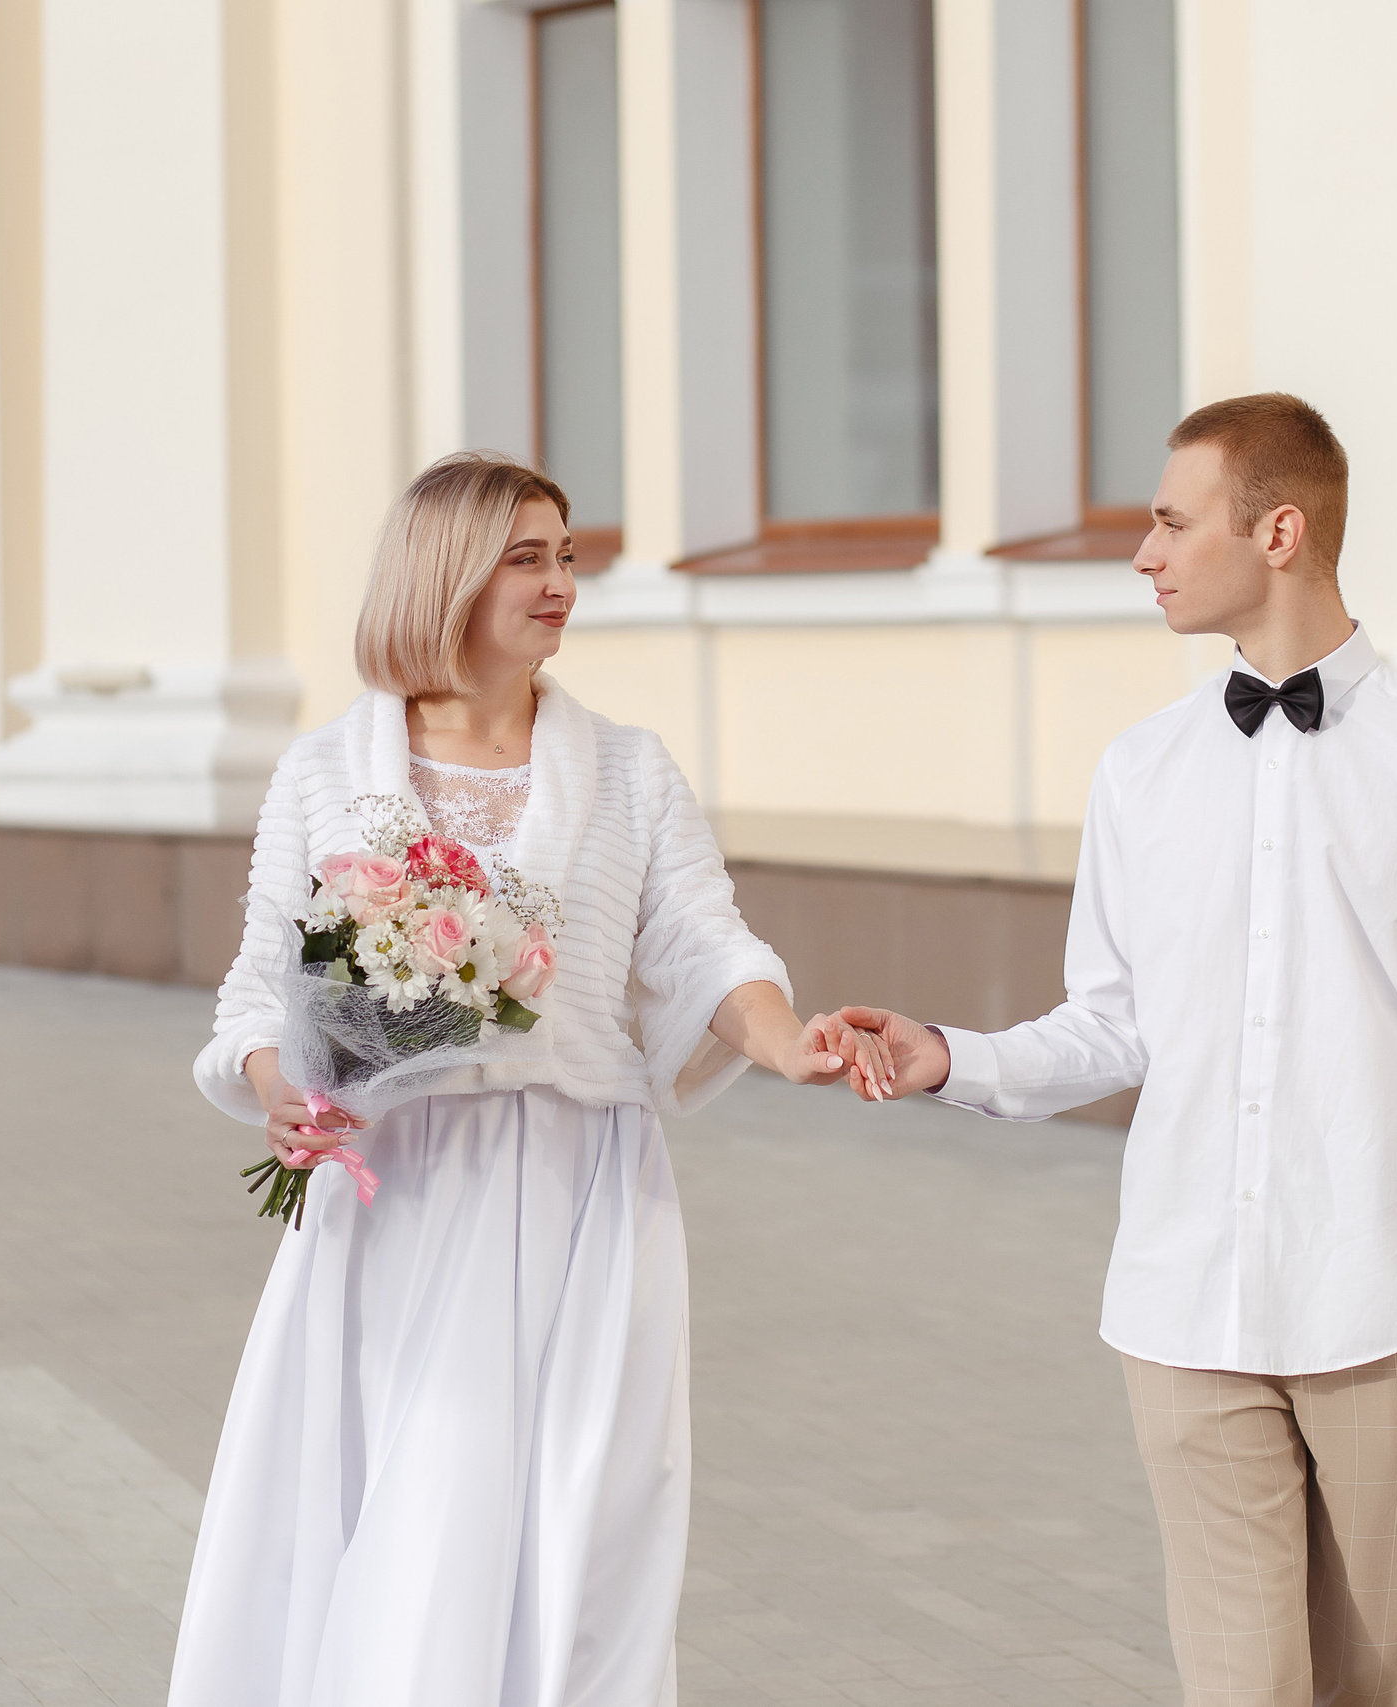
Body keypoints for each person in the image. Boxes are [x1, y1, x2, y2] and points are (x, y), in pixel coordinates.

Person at [836, 395, 1397, 1707]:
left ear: (1279, 530)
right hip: (1186, 1308)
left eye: (1174, 521)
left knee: (1364, 1676)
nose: (1145, 551)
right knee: (1247, 1686)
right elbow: (1112, 1020)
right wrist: (950, 1056)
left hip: (1388, 1303)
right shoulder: (1140, 769)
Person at [170, 450, 891, 1706]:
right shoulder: (325, 775)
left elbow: (702, 939)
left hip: (579, 1193)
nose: (562, 583)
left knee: (581, 1522)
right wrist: (280, 1081)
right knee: (416, 1511)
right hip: (393, 1200)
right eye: (527, 558)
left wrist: (786, 1039)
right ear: (447, 577)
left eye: (566, 555)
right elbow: (255, 990)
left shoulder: (628, 770)